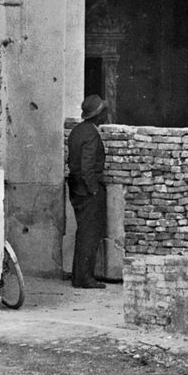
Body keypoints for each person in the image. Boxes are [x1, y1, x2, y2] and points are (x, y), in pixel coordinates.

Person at [66, 93, 108, 288]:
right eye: (103, 112)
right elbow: (87, 165)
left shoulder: (77, 131)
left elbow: (72, 161)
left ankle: (79, 276)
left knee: (84, 232)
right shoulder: (91, 133)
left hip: (76, 189)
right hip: (86, 191)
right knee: (89, 234)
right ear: (97, 115)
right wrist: (94, 190)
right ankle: (85, 278)